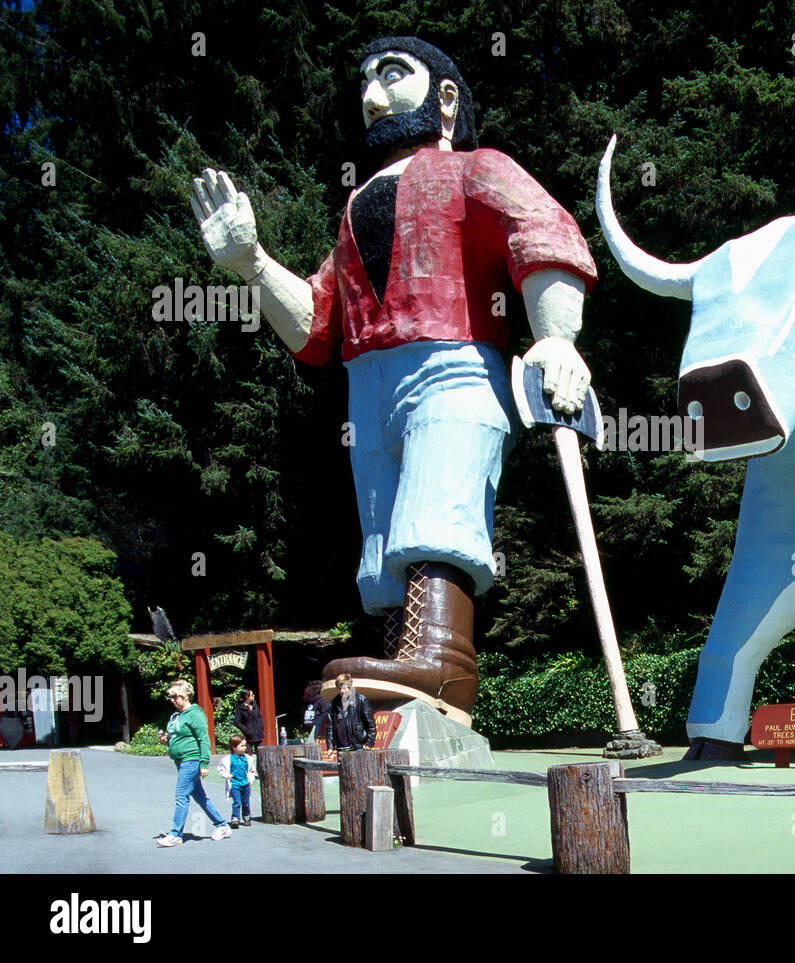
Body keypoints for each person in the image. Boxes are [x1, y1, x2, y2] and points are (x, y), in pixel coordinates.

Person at [189, 38, 597, 726]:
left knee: (438, 501)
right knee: (381, 538)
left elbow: (541, 232)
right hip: (367, 383)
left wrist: (555, 334)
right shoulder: (354, 211)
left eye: (392, 74)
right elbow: (319, 324)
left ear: (444, 97)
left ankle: (444, 661)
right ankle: (398, 669)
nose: (372, 95)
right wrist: (253, 264)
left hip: (454, 362)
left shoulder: (477, 169)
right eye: (364, 82)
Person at [157, 680, 231, 846]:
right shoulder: (178, 716)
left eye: (176, 696)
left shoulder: (195, 714)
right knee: (200, 797)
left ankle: (175, 834)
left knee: (181, 795)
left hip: (191, 760)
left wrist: (204, 764)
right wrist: (166, 740)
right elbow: (178, 737)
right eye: (171, 697)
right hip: (181, 760)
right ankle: (222, 825)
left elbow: (203, 739)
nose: (172, 700)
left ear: (185, 696)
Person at [326, 674, 375, 752]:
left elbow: (371, 724)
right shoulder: (334, 702)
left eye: (344, 688)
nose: (342, 691)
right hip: (341, 747)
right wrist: (330, 746)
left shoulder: (360, 700)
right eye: (339, 688)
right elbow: (330, 725)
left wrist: (369, 743)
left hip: (357, 746)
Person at [218, 734, 258, 827]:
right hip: (234, 784)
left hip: (245, 784)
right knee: (237, 802)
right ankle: (235, 818)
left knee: (246, 802)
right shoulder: (227, 759)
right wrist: (226, 775)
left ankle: (247, 816)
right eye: (242, 746)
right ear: (234, 747)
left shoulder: (248, 758)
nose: (244, 748)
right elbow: (220, 769)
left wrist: (251, 780)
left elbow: (252, 770)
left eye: (245, 745)